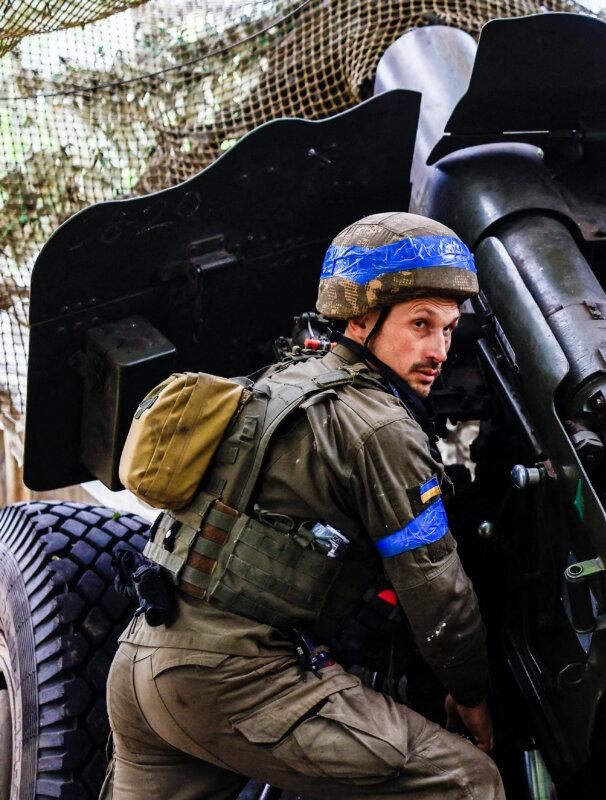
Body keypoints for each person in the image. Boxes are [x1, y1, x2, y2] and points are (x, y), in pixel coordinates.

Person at [104, 212, 503, 799]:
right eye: (420, 324)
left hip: (143, 662)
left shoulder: (278, 382)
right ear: (360, 318)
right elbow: (436, 590)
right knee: (466, 781)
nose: (438, 350)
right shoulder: (380, 427)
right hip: (233, 680)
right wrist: (471, 696)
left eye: (448, 329)